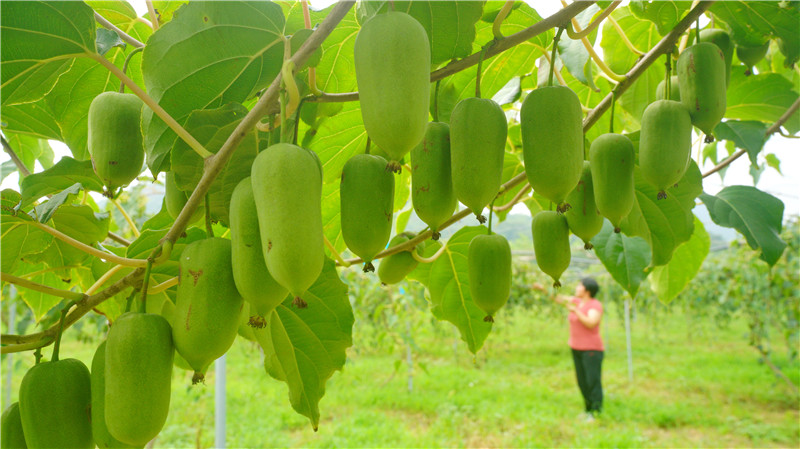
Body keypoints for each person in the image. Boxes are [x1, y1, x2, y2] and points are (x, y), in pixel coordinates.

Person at [534, 277, 604, 421]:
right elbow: (557, 298)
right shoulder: (576, 301)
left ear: (587, 290)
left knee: (592, 381)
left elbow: (591, 323)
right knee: (582, 381)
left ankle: (596, 412)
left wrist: (576, 311)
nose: (577, 288)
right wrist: (543, 289)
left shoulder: (594, 305)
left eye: (580, 285)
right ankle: (588, 409)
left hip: (591, 350)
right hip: (576, 348)